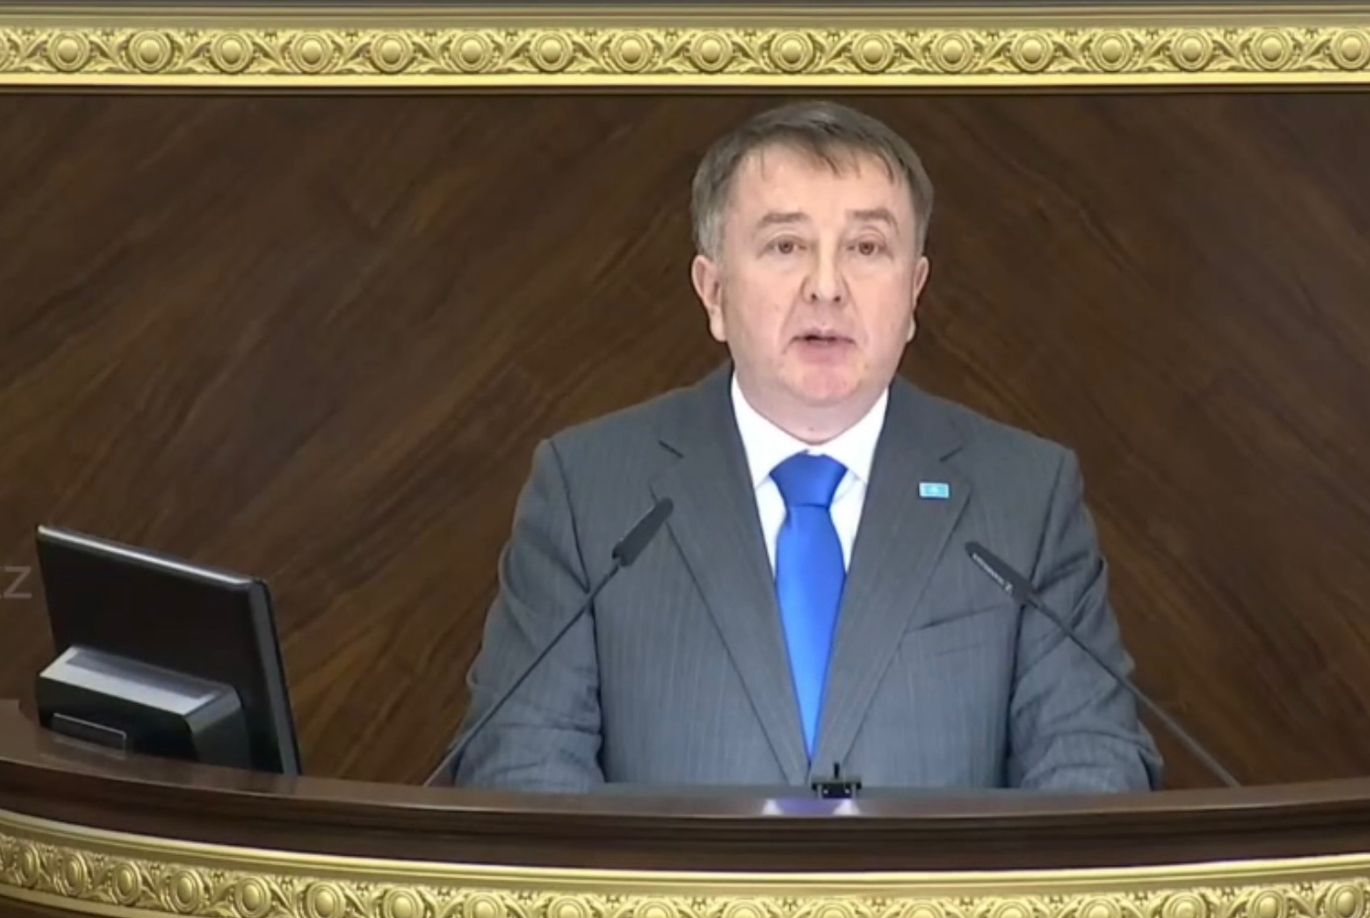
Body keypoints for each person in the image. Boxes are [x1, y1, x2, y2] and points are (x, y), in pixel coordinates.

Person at [452, 100, 1162, 793]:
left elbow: (1091, 765)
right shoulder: (587, 491)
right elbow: (522, 766)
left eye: (866, 248)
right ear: (713, 292)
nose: (826, 288)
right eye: (786, 246)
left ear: (914, 293)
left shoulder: (1025, 497)